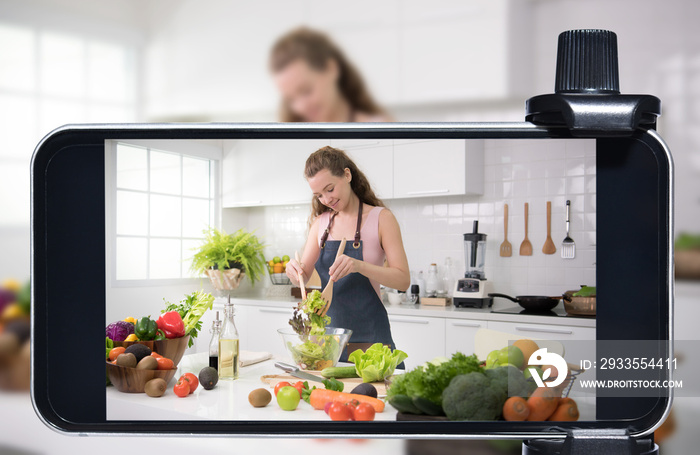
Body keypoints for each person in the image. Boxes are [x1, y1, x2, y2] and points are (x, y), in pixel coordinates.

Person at [285, 146, 410, 359]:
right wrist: (294, 271)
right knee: (329, 392)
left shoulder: (382, 218)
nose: (326, 199)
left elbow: (403, 280)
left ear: (347, 174)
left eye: (330, 189)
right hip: (328, 337)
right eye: (319, 195)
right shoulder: (320, 223)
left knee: (371, 391)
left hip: (370, 336)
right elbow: (303, 277)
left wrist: (358, 265)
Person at [269, 27, 391, 123]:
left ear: (331, 69)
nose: (300, 107)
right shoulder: (289, 139)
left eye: (306, 91)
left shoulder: (382, 130)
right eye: (290, 99)